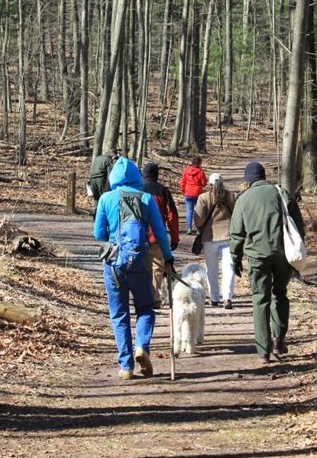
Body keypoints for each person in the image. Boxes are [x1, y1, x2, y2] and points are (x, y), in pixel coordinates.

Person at [94, 156, 174, 380]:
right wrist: (167, 257)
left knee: (119, 315)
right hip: (140, 262)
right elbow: (159, 233)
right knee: (146, 309)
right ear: (136, 177)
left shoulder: (106, 199)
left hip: (113, 266)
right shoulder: (146, 198)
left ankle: (126, 366)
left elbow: (98, 234)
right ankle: (142, 346)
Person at [229, 161, 305, 363]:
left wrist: (235, 258)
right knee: (280, 294)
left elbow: (237, 233)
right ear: (263, 176)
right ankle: (279, 340)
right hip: (282, 254)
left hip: (257, 256)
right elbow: (298, 225)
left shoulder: (243, 200)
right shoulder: (280, 192)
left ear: (248, 180)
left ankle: (263, 350)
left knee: (260, 299)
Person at [193, 173, 236, 309]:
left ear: (209, 184)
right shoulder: (232, 196)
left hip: (209, 237)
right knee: (229, 268)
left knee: (211, 269)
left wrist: (201, 225)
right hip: (228, 235)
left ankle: (214, 298)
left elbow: (198, 220)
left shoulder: (203, 198)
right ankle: (227, 297)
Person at [141, 162, 180, 308]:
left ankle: (144, 295)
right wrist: (175, 238)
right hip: (157, 235)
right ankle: (154, 296)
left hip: (138, 235)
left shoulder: (136, 189)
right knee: (157, 266)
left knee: (141, 265)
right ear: (156, 175)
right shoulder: (163, 191)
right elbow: (172, 216)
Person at [180, 155, 207, 234]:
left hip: (188, 193)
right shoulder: (200, 172)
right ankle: (199, 228)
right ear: (199, 163)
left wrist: (184, 191)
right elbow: (204, 183)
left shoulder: (186, 171)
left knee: (189, 211)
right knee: (199, 211)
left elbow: (182, 183)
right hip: (197, 193)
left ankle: (189, 228)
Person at [89, 150, 118, 215]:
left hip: (92, 179)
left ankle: (95, 213)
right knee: (103, 196)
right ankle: (102, 214)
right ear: (112, 156)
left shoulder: (97, 158)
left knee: (96, 197)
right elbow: (110, 173)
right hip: (101, 179)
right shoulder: (108, 159)